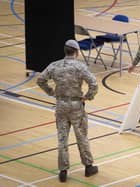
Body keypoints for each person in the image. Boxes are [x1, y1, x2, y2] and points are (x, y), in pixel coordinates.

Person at [37, 39, 99, 182]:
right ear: (76, 52)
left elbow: (40, 80)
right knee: (81, 137)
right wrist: (88, 97)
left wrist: (51, 92)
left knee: (62, 139)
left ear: (65, 51)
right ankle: (88, 167)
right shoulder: (80, 67)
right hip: (76, 106)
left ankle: (63, 171)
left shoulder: (54, 66)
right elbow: (94, 83)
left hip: (61, 105)